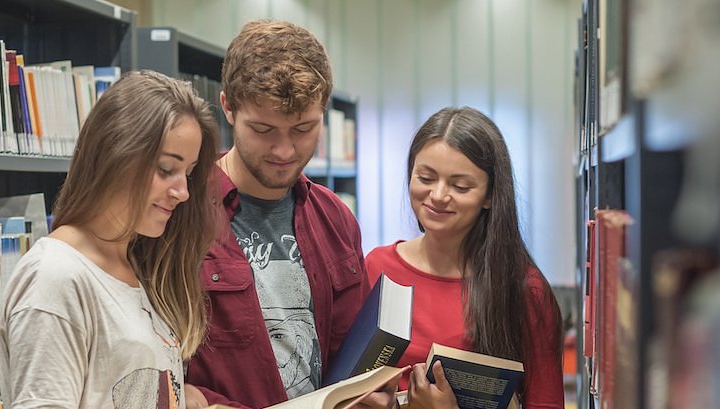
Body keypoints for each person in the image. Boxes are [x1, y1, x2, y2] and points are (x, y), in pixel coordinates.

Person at [0, 70, 219, 409]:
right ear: (116, 154)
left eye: (187, 173)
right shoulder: (54, 277)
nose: (183, 192)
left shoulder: (137, 263)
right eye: (165, 169)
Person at [183, 20, 376, 408]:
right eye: (264, 129)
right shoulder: (180, 212)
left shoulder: (336, 219)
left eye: (303, 128)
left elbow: (354, 357)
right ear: (228, 108)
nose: (285, 151)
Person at [364, 107, 564, 408]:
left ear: (490, 196)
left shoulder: (523, 288)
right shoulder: (377, 267)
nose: (438, 195)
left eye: (460, 186)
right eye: (426, 177)